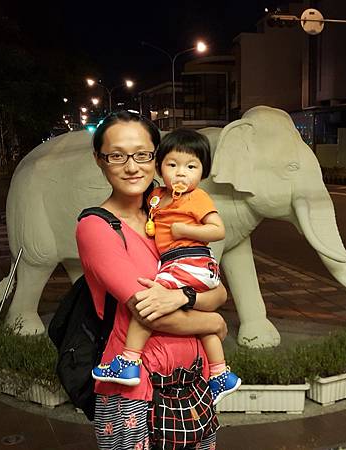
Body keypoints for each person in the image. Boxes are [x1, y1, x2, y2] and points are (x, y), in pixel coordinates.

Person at [76, 111, 227, 450]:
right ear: (99, 160)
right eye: (117, 155)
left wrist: (185, 298)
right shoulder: (97, 228)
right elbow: (147, 311)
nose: (132, 167)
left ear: (157, 158)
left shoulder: (167, 214)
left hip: (193, 379)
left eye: (142, 154)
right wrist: (214, 321)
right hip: (139, 390)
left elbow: (219, 291)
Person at [92, 128, 241, 405]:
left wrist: (183, 229)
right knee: (164, 308)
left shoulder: (196, 197)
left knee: (150, 303)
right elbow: (214, 300)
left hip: (188, 260)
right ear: (160, 166)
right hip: (187, 270)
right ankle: (221, 373)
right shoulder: (156, 198)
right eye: (172, 165)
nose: (181, 173)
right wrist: (215, 320)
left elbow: (219, 288)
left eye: (191, 166)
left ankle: (128, 360)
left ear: (203, 172)